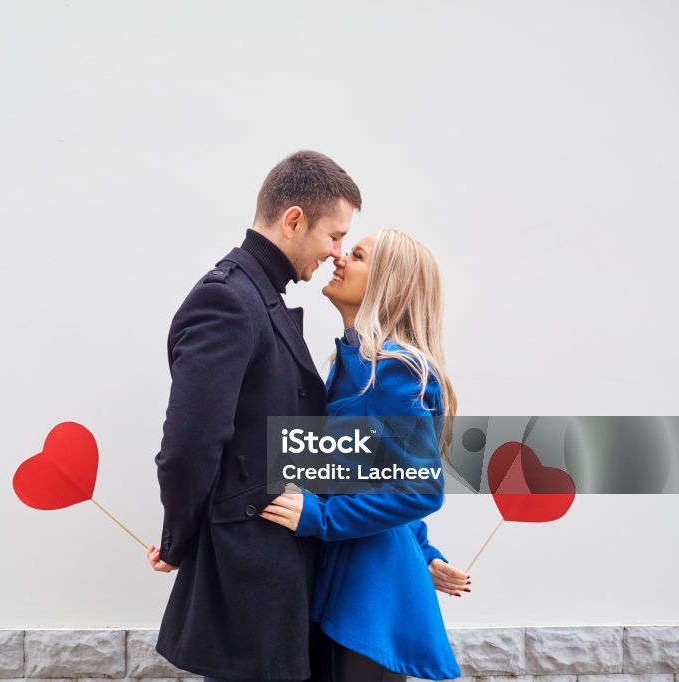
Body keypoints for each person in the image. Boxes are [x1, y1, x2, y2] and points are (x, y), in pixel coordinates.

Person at [147, 150, 361, 682]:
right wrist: (177, 540)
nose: (336, 253)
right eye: (334, 236)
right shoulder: (226, 300)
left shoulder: (259, 296)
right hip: (248, 577)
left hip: (277, 573)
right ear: (293, 220)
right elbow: (189, 446)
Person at [259, 229, 470, 681]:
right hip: (341, 583)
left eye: (356, 255)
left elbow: (419, 488)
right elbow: (379, 474)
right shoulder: (349, 365)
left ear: (386, 283)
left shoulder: (394, 370)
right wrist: (423, 548)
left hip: (368, 600)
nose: (338, 258)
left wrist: (319, 516)